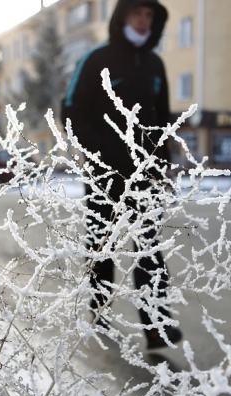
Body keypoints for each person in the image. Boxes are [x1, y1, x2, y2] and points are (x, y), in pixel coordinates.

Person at [61, 0, 181, 349]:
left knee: (149, 249)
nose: (143, 21)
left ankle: (156, 325)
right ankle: (99, 310)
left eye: (149, 16)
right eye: (137, 13)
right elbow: (71, 108)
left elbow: (162, 119)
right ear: (122, 16)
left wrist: (164, 163)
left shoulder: (156, 65)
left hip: (147, 175)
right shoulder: (98, 59)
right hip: (105, 173)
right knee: (102, 246)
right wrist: (99, 154)